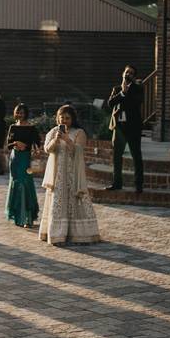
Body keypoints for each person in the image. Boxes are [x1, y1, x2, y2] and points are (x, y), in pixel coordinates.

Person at [39, 105, 100, 245]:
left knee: (75, 200)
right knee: (58, 200)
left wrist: (67, 139)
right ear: (57, 118)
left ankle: (80, 235)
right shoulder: (53, 132)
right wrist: (56, 139)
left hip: (73, 173)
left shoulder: (79, 132)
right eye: (62, 117)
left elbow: (78, 151)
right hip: (58, 174)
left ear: (72, 119)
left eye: (67, 118)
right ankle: (56, 234)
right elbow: (47, 149)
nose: (65, 120)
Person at [105, 64, 144, 193]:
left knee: (136, 156)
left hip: (133, 128)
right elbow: (110, 103)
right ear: (123, 73)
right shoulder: (116, 89)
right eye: (127, 72)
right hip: (119, 128)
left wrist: (126, 93)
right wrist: (122, 93)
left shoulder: (138, 89)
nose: (128, 75)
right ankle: (117, 183)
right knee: (117, 157)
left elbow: (136, 103)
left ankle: (138, 185)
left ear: (134, 76)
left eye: (131, 73)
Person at [5, 103, 41, 228]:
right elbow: (8, 145)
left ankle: (28, 218)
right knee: (15, 184)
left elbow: (38, 143)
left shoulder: (32, 128)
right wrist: (16, 143)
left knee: (25, 184)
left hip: (26, 159)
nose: (20, 114)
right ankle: (18, 217)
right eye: (18, 112)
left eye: (22, 112)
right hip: (15, 158)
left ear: (26, 113)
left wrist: (32, 148)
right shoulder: (13, 127)